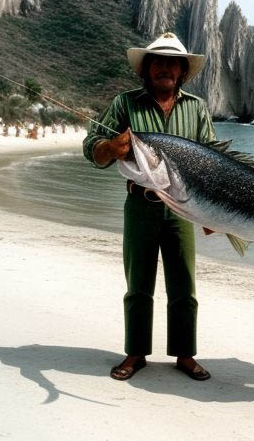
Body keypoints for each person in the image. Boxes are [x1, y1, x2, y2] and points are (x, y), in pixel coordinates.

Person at [83, 32, 215, 382]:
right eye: (158, 61)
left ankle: (185, 354)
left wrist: (212, 213)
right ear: (146, 68)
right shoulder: (125, 103)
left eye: (173, 62)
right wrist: (111, 148)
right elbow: (91, 146)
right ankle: (135, 353)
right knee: (138, 282)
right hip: (140, 205)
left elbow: (215, 161)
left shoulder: (197, 108)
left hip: (184, 208)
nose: (166, 68)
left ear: (182, 70)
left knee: (184, 284)